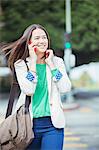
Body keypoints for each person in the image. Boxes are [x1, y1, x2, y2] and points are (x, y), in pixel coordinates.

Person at [1, 24, 71, 150]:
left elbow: (65, 87)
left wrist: (52, 66)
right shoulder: (21, 65)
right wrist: (33, 64)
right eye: (37, 38)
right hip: (27, 126)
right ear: (30, 42)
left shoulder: (57, 62)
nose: (42, 41)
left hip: (53, 125)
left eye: (44, 37)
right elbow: (29, 90)